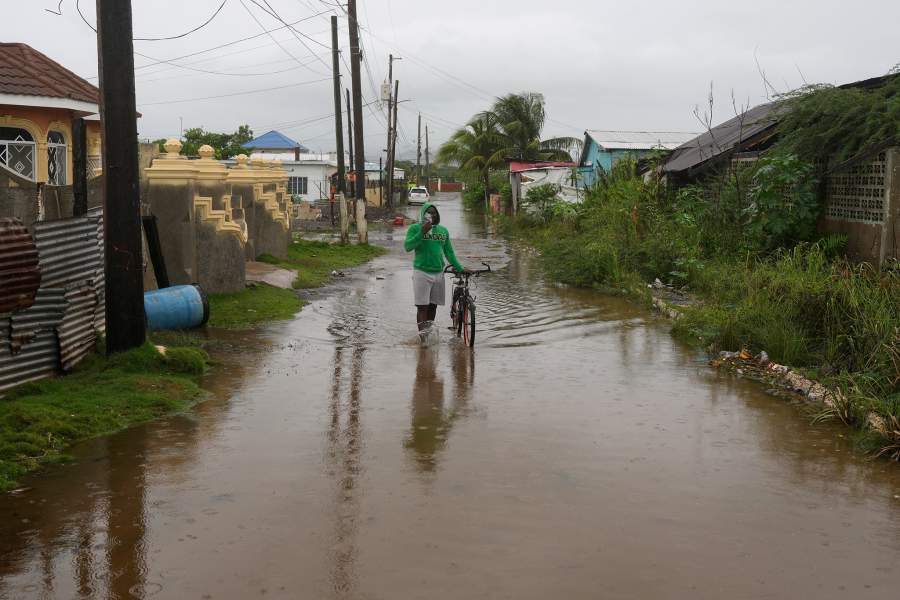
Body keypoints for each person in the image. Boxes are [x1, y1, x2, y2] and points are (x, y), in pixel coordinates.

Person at [404, 202, 468, 332]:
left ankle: (429, 333)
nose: (431, 214)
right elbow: (408, 247)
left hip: (438, 273)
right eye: (428, 212)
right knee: (422, 307)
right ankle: (423, 341)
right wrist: (422, 232)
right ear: (423, 214)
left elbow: (449, 253)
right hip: (421, 273)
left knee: (433, 306)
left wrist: (460, 268)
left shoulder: (443, 231)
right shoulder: (414, 229)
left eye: (434, 212)